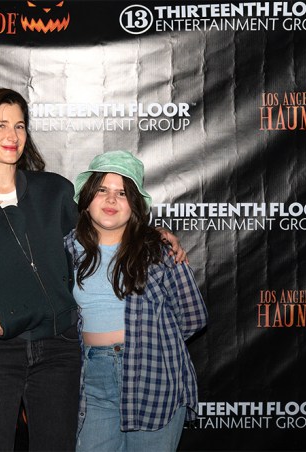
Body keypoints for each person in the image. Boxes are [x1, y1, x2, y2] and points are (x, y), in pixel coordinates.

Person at [0, 88, 186, 451]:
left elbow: (103, 233)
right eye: (0, 125)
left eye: (19, 125)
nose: (12, 135)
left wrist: (152, 236)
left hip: (60, 350)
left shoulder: (54, 192)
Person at [64, 151, 208, 452]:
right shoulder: (68, 248)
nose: (111, 199)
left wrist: (152, 341)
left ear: (134, 205)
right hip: (93, 379)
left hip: (154, 378)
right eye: (102, 190)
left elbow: (193, 317)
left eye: (122, 193)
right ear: (87, 198)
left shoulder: (159, 251)